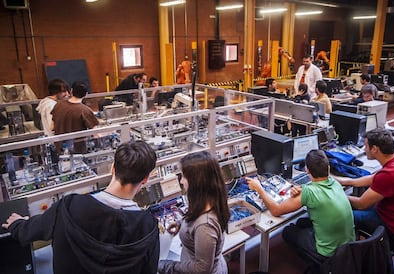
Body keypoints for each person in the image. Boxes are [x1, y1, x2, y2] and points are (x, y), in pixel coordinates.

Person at [2, 141, 160, 274]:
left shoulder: (69, 206)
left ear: (113, 168)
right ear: (145, 179)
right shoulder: (148, 227)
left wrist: (17, 224)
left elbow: (31, 230)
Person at [247, 150, 355, 268]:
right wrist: (301, 190)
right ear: (328, 168)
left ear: (307, 170)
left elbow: (276, 210)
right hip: (348, 247)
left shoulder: (309, 192)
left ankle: (318, 265)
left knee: (288, 231)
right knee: (301, 222)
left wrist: (259, 188)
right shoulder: (335, 182)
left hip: (328, 254)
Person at [336, 128, 394, 250]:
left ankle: (344, 254)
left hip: (388, 226)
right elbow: (374, 177)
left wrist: (336, 194)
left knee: (340, 215)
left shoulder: (389, 174)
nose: (364, 149)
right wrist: (347, 181)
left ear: (375, 149)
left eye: (366, 146)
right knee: (346, 203)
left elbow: (362, 204)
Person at [158, 151, 230, 274]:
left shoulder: (205, 226)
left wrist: (167, 266)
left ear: (196, 181)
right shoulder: (211, 201)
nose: (181, 181)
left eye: (183, 176)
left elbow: (201, 269)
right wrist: (182, 224)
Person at [51, 81, 99, 153]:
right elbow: (96, 135)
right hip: (78, 152)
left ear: (71, 91)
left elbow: (51, 127)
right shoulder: (85, 111)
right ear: (86, 94)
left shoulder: (58, 105)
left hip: (60, 150)